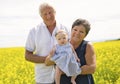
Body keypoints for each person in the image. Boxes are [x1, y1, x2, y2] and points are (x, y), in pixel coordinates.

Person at [25, 2, 69, 84]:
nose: (48, 16)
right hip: (43, 78)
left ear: (55, 13)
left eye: (50, 12)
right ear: (41, 16)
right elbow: (27, 55)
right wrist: (48, 60)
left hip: (64, 76)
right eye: (45, 14)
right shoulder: (34, 31)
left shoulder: (65, 29)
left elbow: (72, 49)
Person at [45, 18, 96, 84]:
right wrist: (53, 56)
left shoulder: (87, 46)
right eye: (75, 30)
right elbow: (47, 62)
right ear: (71, 30)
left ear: (85, 35)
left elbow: (92, 68)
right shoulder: (60, 44)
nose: (77, 33)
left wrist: (68, 70)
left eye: (81, 32)